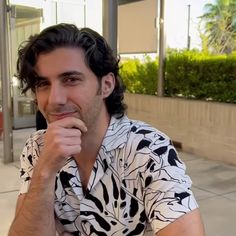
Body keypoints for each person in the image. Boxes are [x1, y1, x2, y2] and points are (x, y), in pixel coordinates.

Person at [8, 23, 205, 236]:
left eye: (71, 79)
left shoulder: (148, 150)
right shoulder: (37, 148)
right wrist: (45, 171)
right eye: (43, 83)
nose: (55, 99)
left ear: (107, 85)